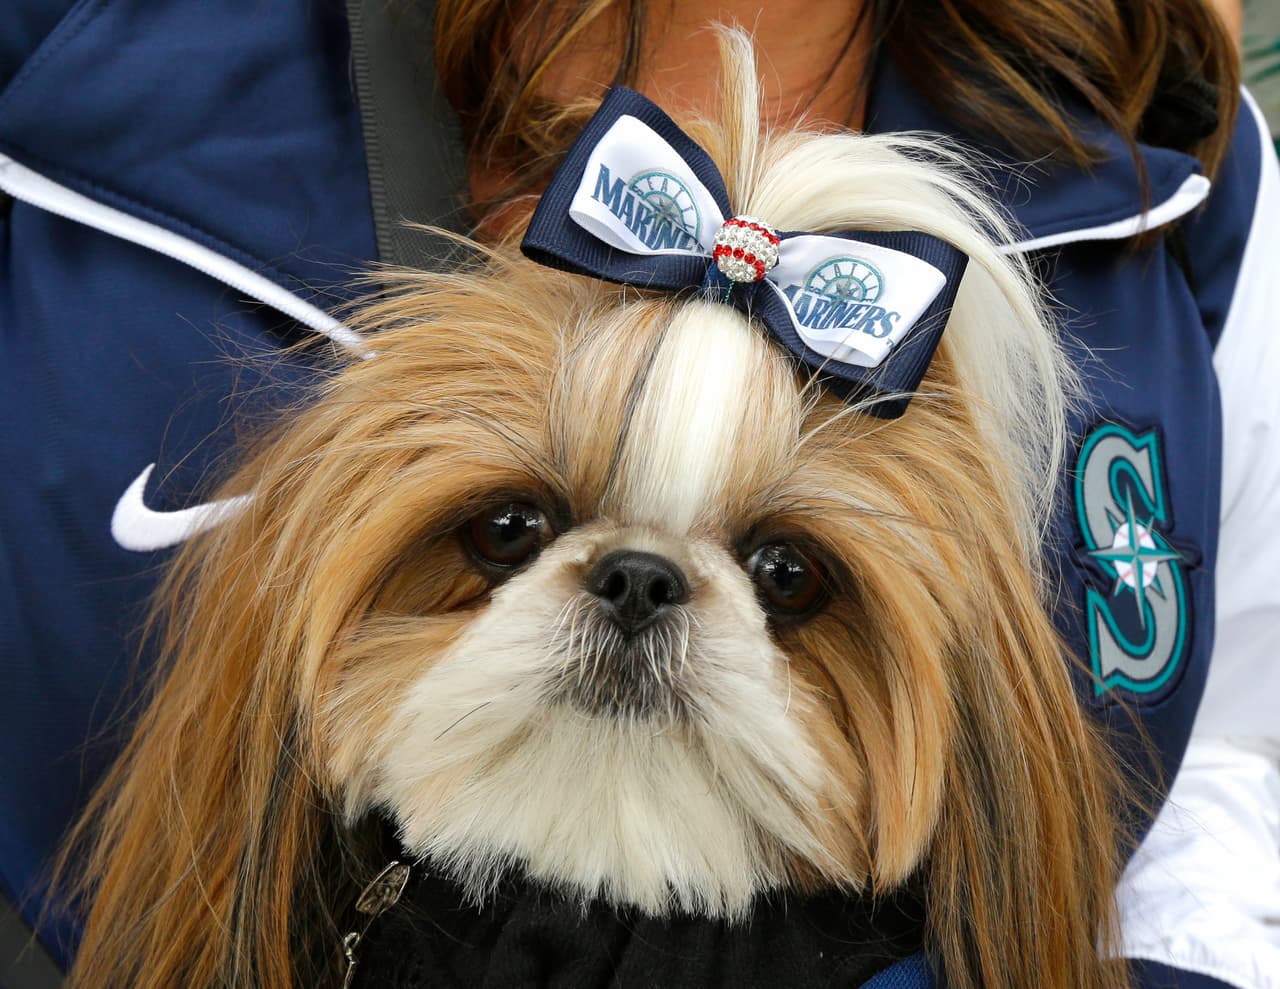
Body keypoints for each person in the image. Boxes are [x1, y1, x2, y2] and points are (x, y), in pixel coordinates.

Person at [0, 1, 1276, 986]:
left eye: (785, 580)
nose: (634, 593)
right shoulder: (73, 48)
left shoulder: (1185, 171)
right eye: (507, 534)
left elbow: (1232, 756)